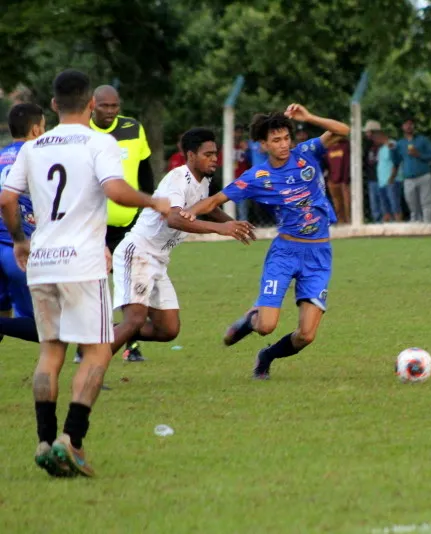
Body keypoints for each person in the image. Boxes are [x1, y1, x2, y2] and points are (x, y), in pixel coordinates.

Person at [0, 69, 170, 477]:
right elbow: (115, 190)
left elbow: (7, 199)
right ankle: (71, 440)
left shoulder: (33, 147)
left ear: (55, 105)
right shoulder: (100, 142)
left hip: (41, 262)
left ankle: (44, 440)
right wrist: (154, 201)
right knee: (95, 350)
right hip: (82, 261)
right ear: (92, 104)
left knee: (50, 352)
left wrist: (21, 240)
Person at [186, 104, 348, 380]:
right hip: (285, 252)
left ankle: (267, 356)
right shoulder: (257, 177)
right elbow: (215, 200)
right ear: (262, 145)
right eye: (276, 140)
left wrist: (309, 117)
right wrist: (186, 212)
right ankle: (252, 319)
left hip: (319, 253)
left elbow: (343, 131)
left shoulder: (307, 153)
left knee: (306, 335)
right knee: (266, 326)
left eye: (286, 138)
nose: (284, 145)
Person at [108, 128, 255, 361]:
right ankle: (91, 366)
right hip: (138, 252)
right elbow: (174, 217)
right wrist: (220, 229)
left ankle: (101, 335)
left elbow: (208, 207)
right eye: (208, 154)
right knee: (135, 319)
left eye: (215, 153)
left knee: (168, 330)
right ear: (191, 155)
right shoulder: (178, 178)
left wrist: (233, 223)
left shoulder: (202, 182)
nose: (214, 158)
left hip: (157, 260)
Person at [86, 84, 155, 363]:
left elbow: (145, 171)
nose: (111, 111)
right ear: (92, 105)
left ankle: (132, 344)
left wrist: (149, 207)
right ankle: (89, 345)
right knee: (95, 286)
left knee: (134, 286)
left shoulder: (132, 128)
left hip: (131, 224)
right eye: (105, 106)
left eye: (115, 106)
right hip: (93, 227)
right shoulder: (81, 133)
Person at [0, 103, 45, 344]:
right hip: (18, 248)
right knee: (42, 327)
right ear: (37, 129)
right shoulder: (37, 156)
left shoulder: (1, 155)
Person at [392, 118, 431, 223]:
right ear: (402, 127)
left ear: (414, 126)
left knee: (426, 201)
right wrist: (391, 150)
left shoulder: (423, 140)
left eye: (410, 124)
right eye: (406, 124)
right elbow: (396, 160)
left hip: (424, 175)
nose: (408, 127)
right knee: (411, 202)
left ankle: (427, 224)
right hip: (408, 178)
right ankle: (416, 223)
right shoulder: (400, 144)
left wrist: (418, 154)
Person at [375, 128, 403, 222]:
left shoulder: (391, 144)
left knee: (395, 205)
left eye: (377, 137)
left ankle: (399, 225)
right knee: (385, 208)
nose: (375, 140)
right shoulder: (381, 149)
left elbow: (396, 159)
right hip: (382, 182)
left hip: (392, 180)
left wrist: (392, 177)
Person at [324, 136, 351, 224]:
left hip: (344, 181)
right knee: (337, 204)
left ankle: (349, 222)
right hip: (332, 180)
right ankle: (340, 222)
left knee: (347, 204)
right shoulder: (328, 147)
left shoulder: (345, 146)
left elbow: (347, 163)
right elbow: (325, 163)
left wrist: (345, 179)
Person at [363, 120, 383, 223]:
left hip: (383, 179)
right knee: (374, 205)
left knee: (384, 203)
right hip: (372, 179)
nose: (366, 134)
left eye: (368, 132)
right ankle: (378, 224)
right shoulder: (368, 146)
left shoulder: (383, 145)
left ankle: (387, 224)